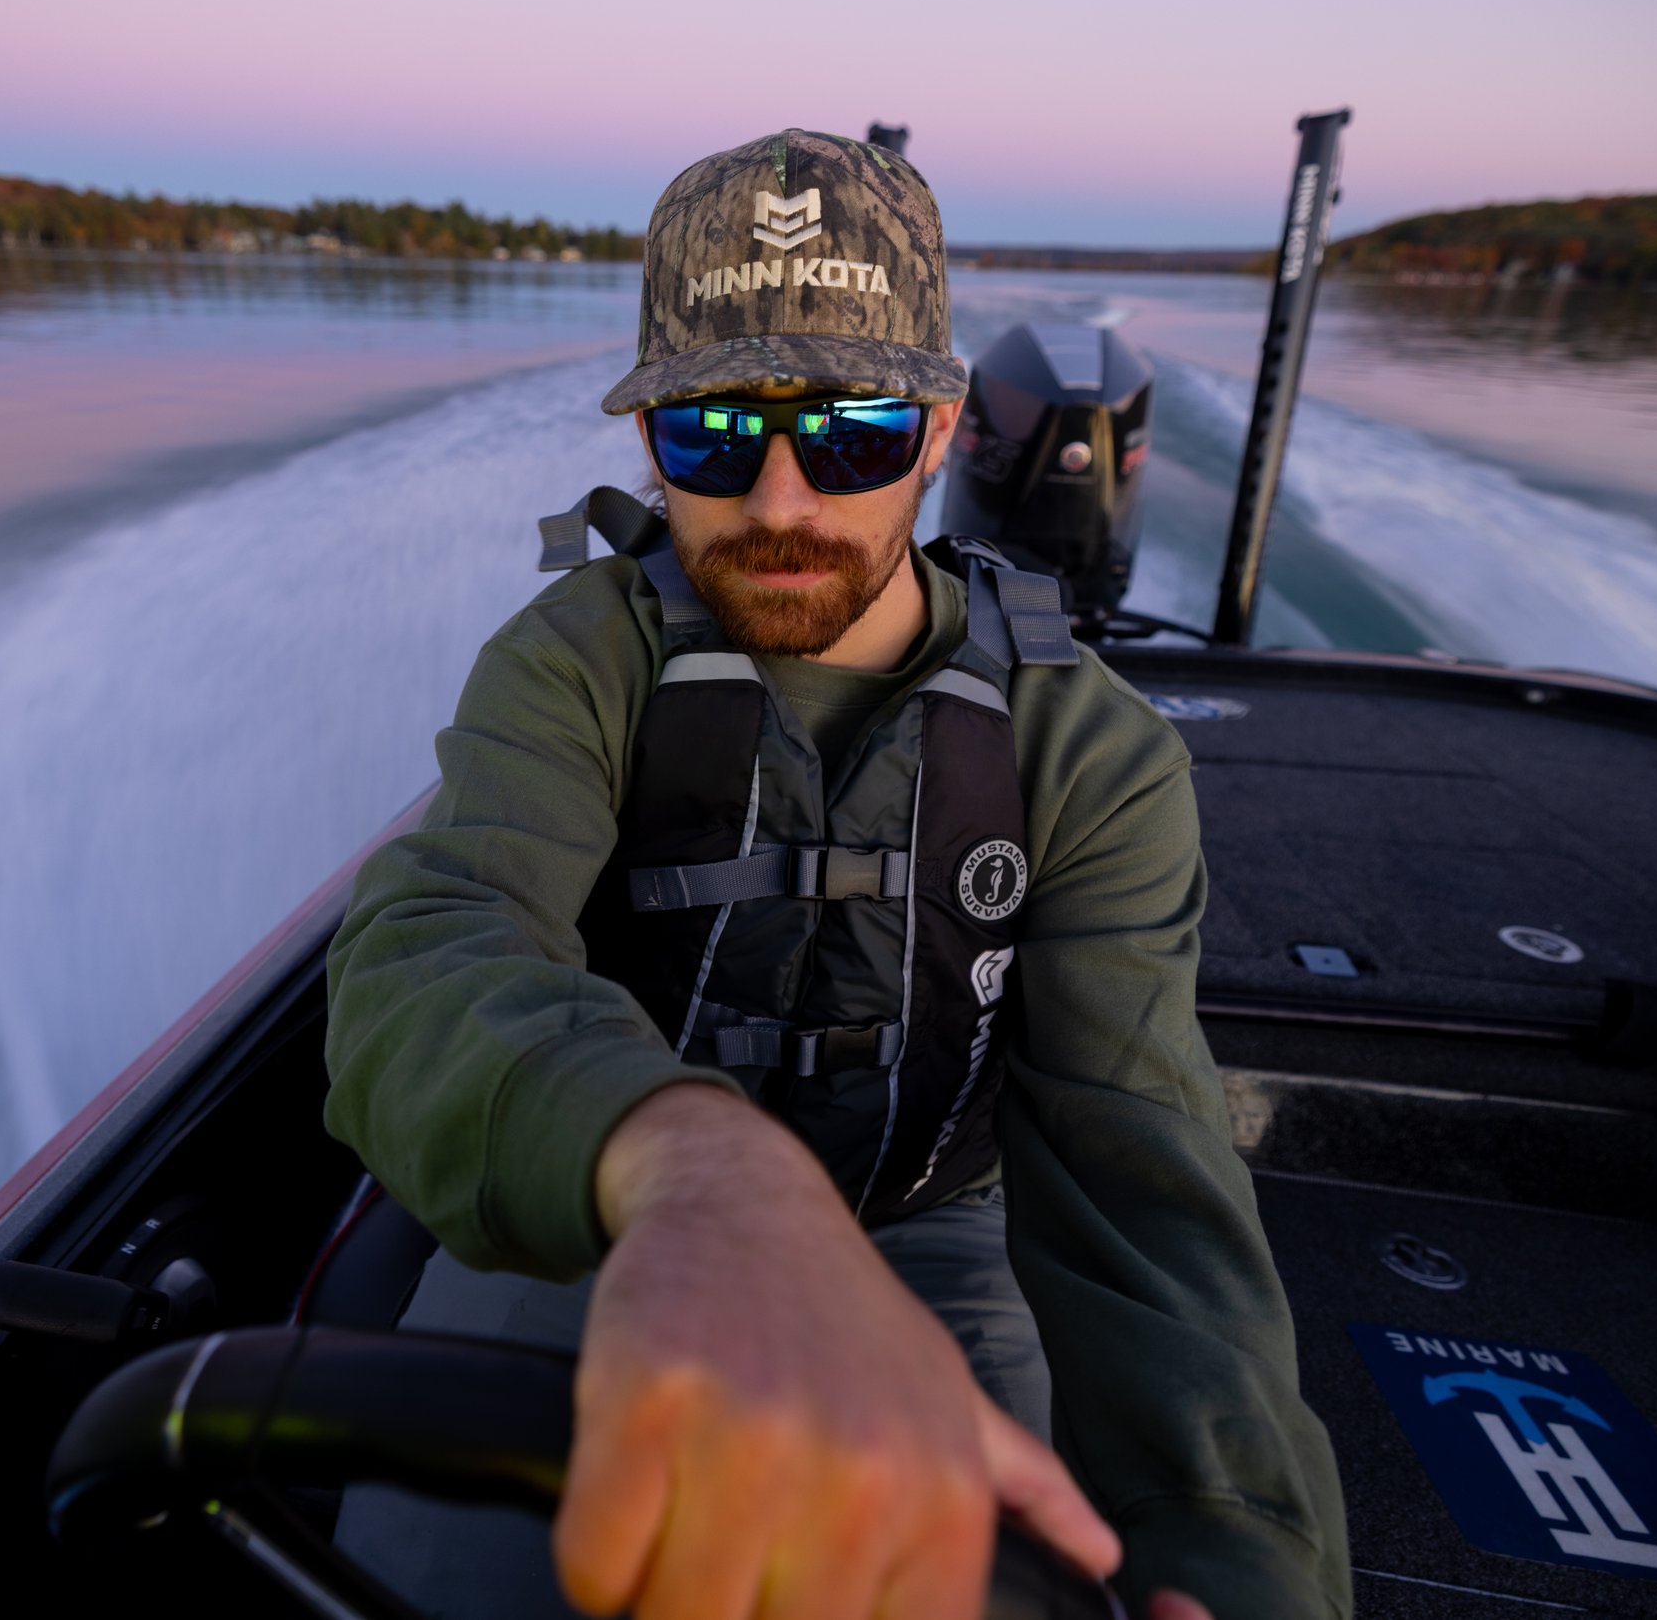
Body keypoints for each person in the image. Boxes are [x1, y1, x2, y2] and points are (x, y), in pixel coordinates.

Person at [324, 129, 1349, 1620]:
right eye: (716, 435)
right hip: (605, 1202)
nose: (783, 503)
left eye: (854, 433)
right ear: (650, 440)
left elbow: (1141, 1163)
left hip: (932, 1227)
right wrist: (689, 1167)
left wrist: (1232, 1549)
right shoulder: (578, 661)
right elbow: (434, 939)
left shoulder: (1091, 749)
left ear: (939, 435)